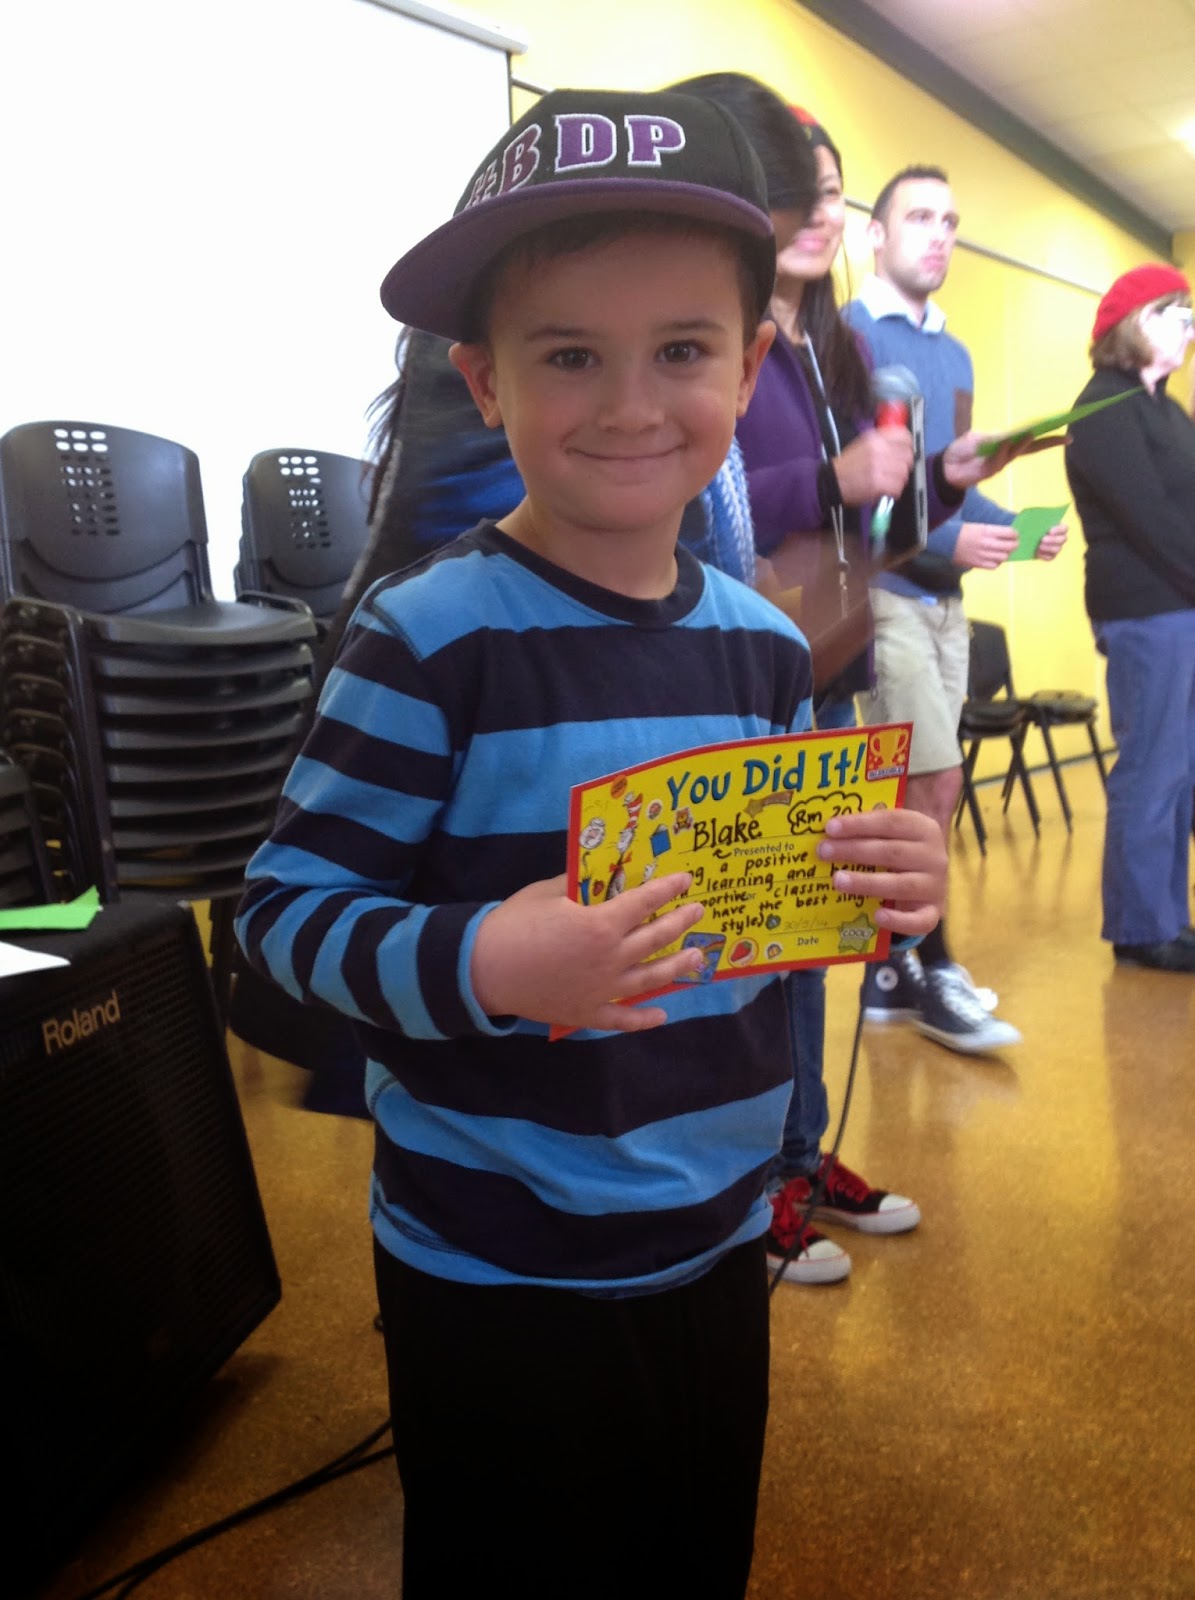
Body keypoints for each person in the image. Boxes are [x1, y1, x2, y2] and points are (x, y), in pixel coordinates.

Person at [235, 87, 955, 1598]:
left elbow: (773, 906)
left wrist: (874, 891)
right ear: (482, 381)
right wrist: (487, 954)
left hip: (710, 1229)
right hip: (492, 1255)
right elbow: (285, 917)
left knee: (688, 1556)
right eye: (569, 355)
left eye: (680, 351)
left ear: (747, 359)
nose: (630, 404)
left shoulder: (762, 652)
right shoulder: (427, 637)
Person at [736, 109, 934, 1287]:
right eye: (796, 189)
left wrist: (934, 479)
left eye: (833, 192)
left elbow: (877, 529)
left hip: (829, 666)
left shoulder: (833, 354)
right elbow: (709, 497)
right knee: (759, 941)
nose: (821, 211)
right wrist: (826, 473)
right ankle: (758, 1179)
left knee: (812, 936)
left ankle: (802, 1157)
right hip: (755, 675)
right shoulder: (729, 335)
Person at [845, 165, 1067, 1053]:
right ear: (875, 233)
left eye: (951, 220)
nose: (939, 234)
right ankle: (924, 969)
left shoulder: (957, 352)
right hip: (883, 595)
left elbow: (951, 484)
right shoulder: (847, 341)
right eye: (919, 217)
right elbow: (863, 499)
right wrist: (942, 545)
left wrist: (1013, 529)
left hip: (946, 607)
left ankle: (893, 971)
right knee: (925, 785)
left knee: (935, 789)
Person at [1063, 263, 1195, 973]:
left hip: (1180, 607)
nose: (1189, 330)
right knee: (1151, 766)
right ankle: (1141, 929)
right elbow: (1150, 520)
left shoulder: (1164, 409)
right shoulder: (1102, 406)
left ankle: (1166, 915)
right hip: (1146, 612)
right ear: (1137, 322)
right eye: (1179, 315)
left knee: (1180, 768)